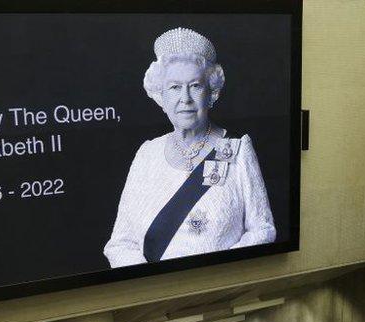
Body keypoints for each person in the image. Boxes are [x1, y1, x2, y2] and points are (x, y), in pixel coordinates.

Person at [104, 27, 276, 267]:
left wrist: (214, 275)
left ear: (211, 93)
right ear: (160, 96)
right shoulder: (146, 154)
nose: (185, 98)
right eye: (174, 87)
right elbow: (120, 244)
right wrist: (149, 284)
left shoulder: (237, 150)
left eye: (195, 86)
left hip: (218, 289)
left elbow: (263, 230)